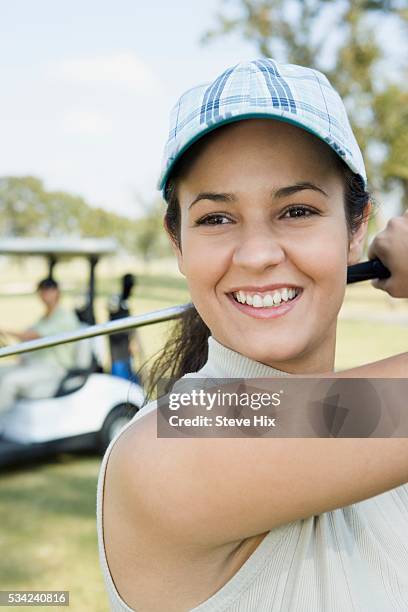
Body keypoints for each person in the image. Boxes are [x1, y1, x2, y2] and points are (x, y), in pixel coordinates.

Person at [96, 59, 408, 611]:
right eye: (216, 219)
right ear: (178, 243)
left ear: (356, 228)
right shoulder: (168, 449)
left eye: (297, 210)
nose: (259, 254)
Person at [0, 277, 82, 414]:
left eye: (47, 290)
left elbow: (32, 336)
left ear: (56, 292)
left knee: (9, 381)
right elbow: (28, 337)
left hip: (54, 369)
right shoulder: (44, 318)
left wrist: (5, 330)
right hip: (34, 364)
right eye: (41, 291)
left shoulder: (64, 317)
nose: (43, 295)